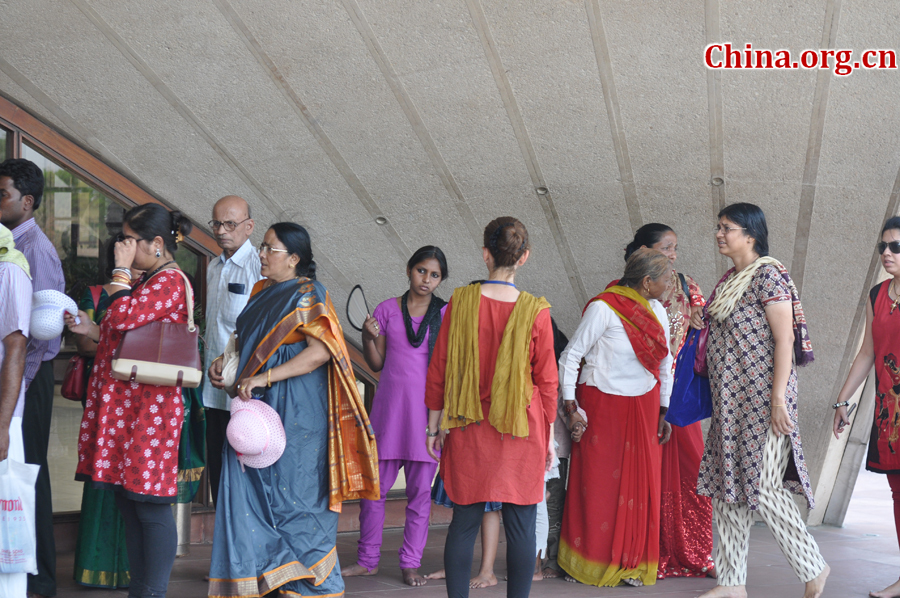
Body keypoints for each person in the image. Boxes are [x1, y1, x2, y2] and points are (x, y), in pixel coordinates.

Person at [207, 223, 379, 598]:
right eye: (263, 248)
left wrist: (265, 377)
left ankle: (315, 586)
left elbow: (321, 352)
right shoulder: (261, 291)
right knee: (259, 493)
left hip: (298, 410)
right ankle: (276, 582)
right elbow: (244, 341)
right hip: (257, 410)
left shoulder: (309, 295)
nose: (262, 255)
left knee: (298, 499)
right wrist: (224, 362)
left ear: (295, 258)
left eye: (271, 249)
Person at [696, 202, 829, 598]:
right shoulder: (729, 280)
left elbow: (784, 338)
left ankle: (813, 567)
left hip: (762, 400)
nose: (720, 234)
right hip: (730, 402)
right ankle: (731, 583)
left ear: (750, 235)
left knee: (765, 486)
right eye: (719, 227)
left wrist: (777, 400)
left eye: (728, 228)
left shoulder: (767, 276)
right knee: (727, 487)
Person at [65, 203, 194, 598]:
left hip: (148, 414)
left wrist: (120, 272)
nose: (121, 246)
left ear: (156, 243)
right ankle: (140, 588)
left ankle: (150, 591)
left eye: (128, 240)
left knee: (150, 506)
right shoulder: (150, 279)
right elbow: (124, 327)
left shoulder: (169, 282)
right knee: (128, 501)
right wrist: (92, 326)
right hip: (129, 410)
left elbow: (123, 317)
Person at [425, 216, 558, 598]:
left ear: (485, 255)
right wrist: (548, 438)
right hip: (522, 428)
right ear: (524, 257)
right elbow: (547, 382)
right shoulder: (536, 311)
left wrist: (434, 427)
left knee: (464, 522)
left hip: (468, 426)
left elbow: (440, 370)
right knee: (520, 524)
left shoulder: (460, 302)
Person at [557, 247, 674, 587]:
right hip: (602, 406)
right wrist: (571, 408)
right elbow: (570, 357)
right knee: (596, 486)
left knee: (641, 489)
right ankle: (585, 563)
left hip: (645, 407)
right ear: (647, 281)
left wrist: (663, 410)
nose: (669, 285)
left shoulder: (657, 311)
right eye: (665, 279)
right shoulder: (604, 308)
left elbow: (665, 364)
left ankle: (632, 563)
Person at [343, 246, 448, 587]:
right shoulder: (387, 309)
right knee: (374, 492)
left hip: (426, 420)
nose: (426, 280)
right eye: (421, 271)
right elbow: (375, 363)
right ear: (408, 269)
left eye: (434, 275)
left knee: (419, 497)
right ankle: (367, 560)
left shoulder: (445, 314)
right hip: (388, 416)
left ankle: (410, 563)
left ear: (441, 279)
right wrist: (367, 335)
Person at [623, 224, 715, 580]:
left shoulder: (688, 285)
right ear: (645, 251)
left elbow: (708, 329)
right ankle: (649, 555)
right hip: (642, 391)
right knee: (647, 474)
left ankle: (696, 553)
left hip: (682, 391)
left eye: (676, 248)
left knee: (693, 470)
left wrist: (699, 323)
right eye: (667, 247)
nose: (674, 255)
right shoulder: (624, 291)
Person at [0, 157, 65, 598]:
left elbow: (43, 329)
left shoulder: (35, 251)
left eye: (1, 194)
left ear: (26, 202)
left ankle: (39, 578)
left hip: (29, 378)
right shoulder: (8, 246)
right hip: (16, 378)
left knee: (29, 474)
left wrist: (18, 385)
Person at [833, 216, 900, 598]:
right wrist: (845, 399)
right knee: (898, 494)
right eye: (883, 247)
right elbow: (868, 352)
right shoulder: (878, 294)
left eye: (896, 247)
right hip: (890, 414)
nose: (887, 253)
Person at [70, 239, 131, 589]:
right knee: (101, 477)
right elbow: (84, 344)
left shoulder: (149, 294)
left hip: (134, 399)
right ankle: (95, 565)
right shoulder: (95, 295)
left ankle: (129, 566)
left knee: (131, 480)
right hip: (100, 398)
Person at [202, 195, 260, 507]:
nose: (222, 230)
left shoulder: (257, 267)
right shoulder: (214, 267)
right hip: (212, 391)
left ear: (249, 227)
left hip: (242, 391)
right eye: (217, 223)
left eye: (230, 224)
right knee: (219, 477)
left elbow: (259, 328)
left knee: (244, 481)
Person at [0, 222, 33, 598]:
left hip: (4, 416)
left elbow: (16, 349)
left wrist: (3, 426)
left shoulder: (8, 269)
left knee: (6, 527)